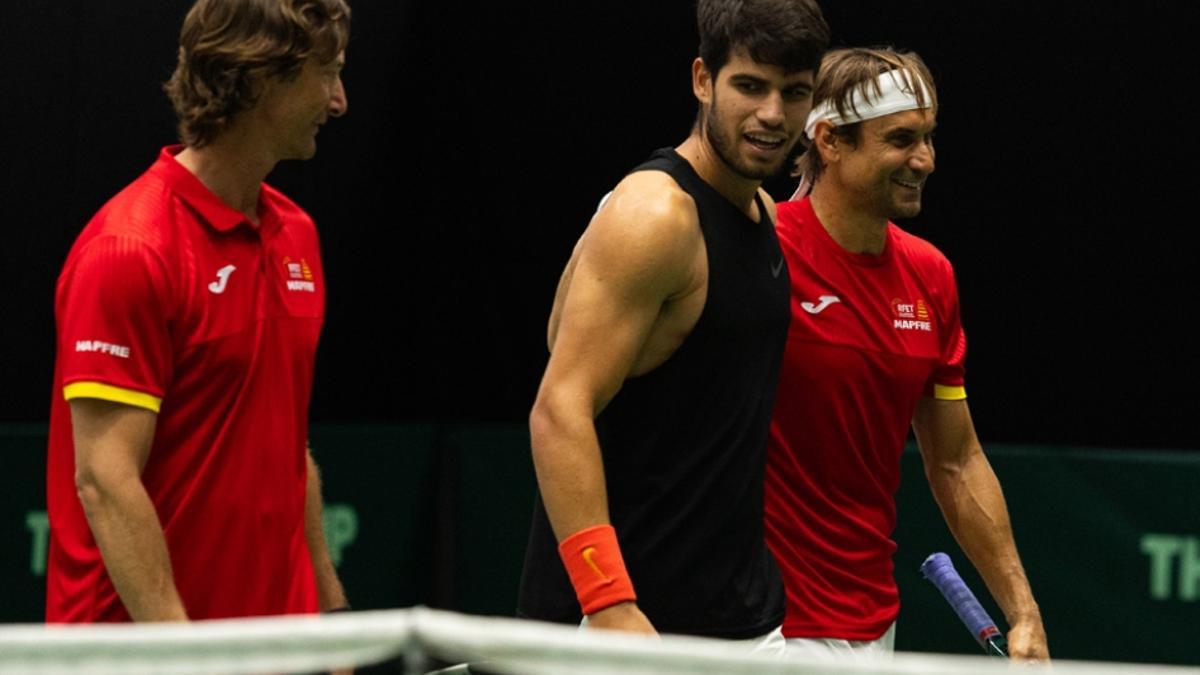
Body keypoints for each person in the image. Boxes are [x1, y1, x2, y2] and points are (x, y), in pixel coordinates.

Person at [516, 0, 829, 648]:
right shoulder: (655, 215)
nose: (773, 113)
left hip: (741, 621)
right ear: (702, 80)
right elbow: (558, 409)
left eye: (793, 93)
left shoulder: (763, 213)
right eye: (750, 85)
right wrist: (607, 599)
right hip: (627, 625)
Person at [45, 0, 351, 622]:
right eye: (327, 73)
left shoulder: (298, 235)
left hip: (273, 645)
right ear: (264, 79)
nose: (339, 100)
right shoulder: (129, 251)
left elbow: (288, 447)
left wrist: (331, 616)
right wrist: (186, 656)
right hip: (141, 653)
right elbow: (106, 482)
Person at [765, 46, 1050, 660]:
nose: (923, 160)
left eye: (928, 138)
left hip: (870, 623)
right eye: (900, 139)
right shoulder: (760, 253)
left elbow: (957, 460)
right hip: (758, 623)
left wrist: (1022, 612)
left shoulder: (930, 276)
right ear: (830, 141)